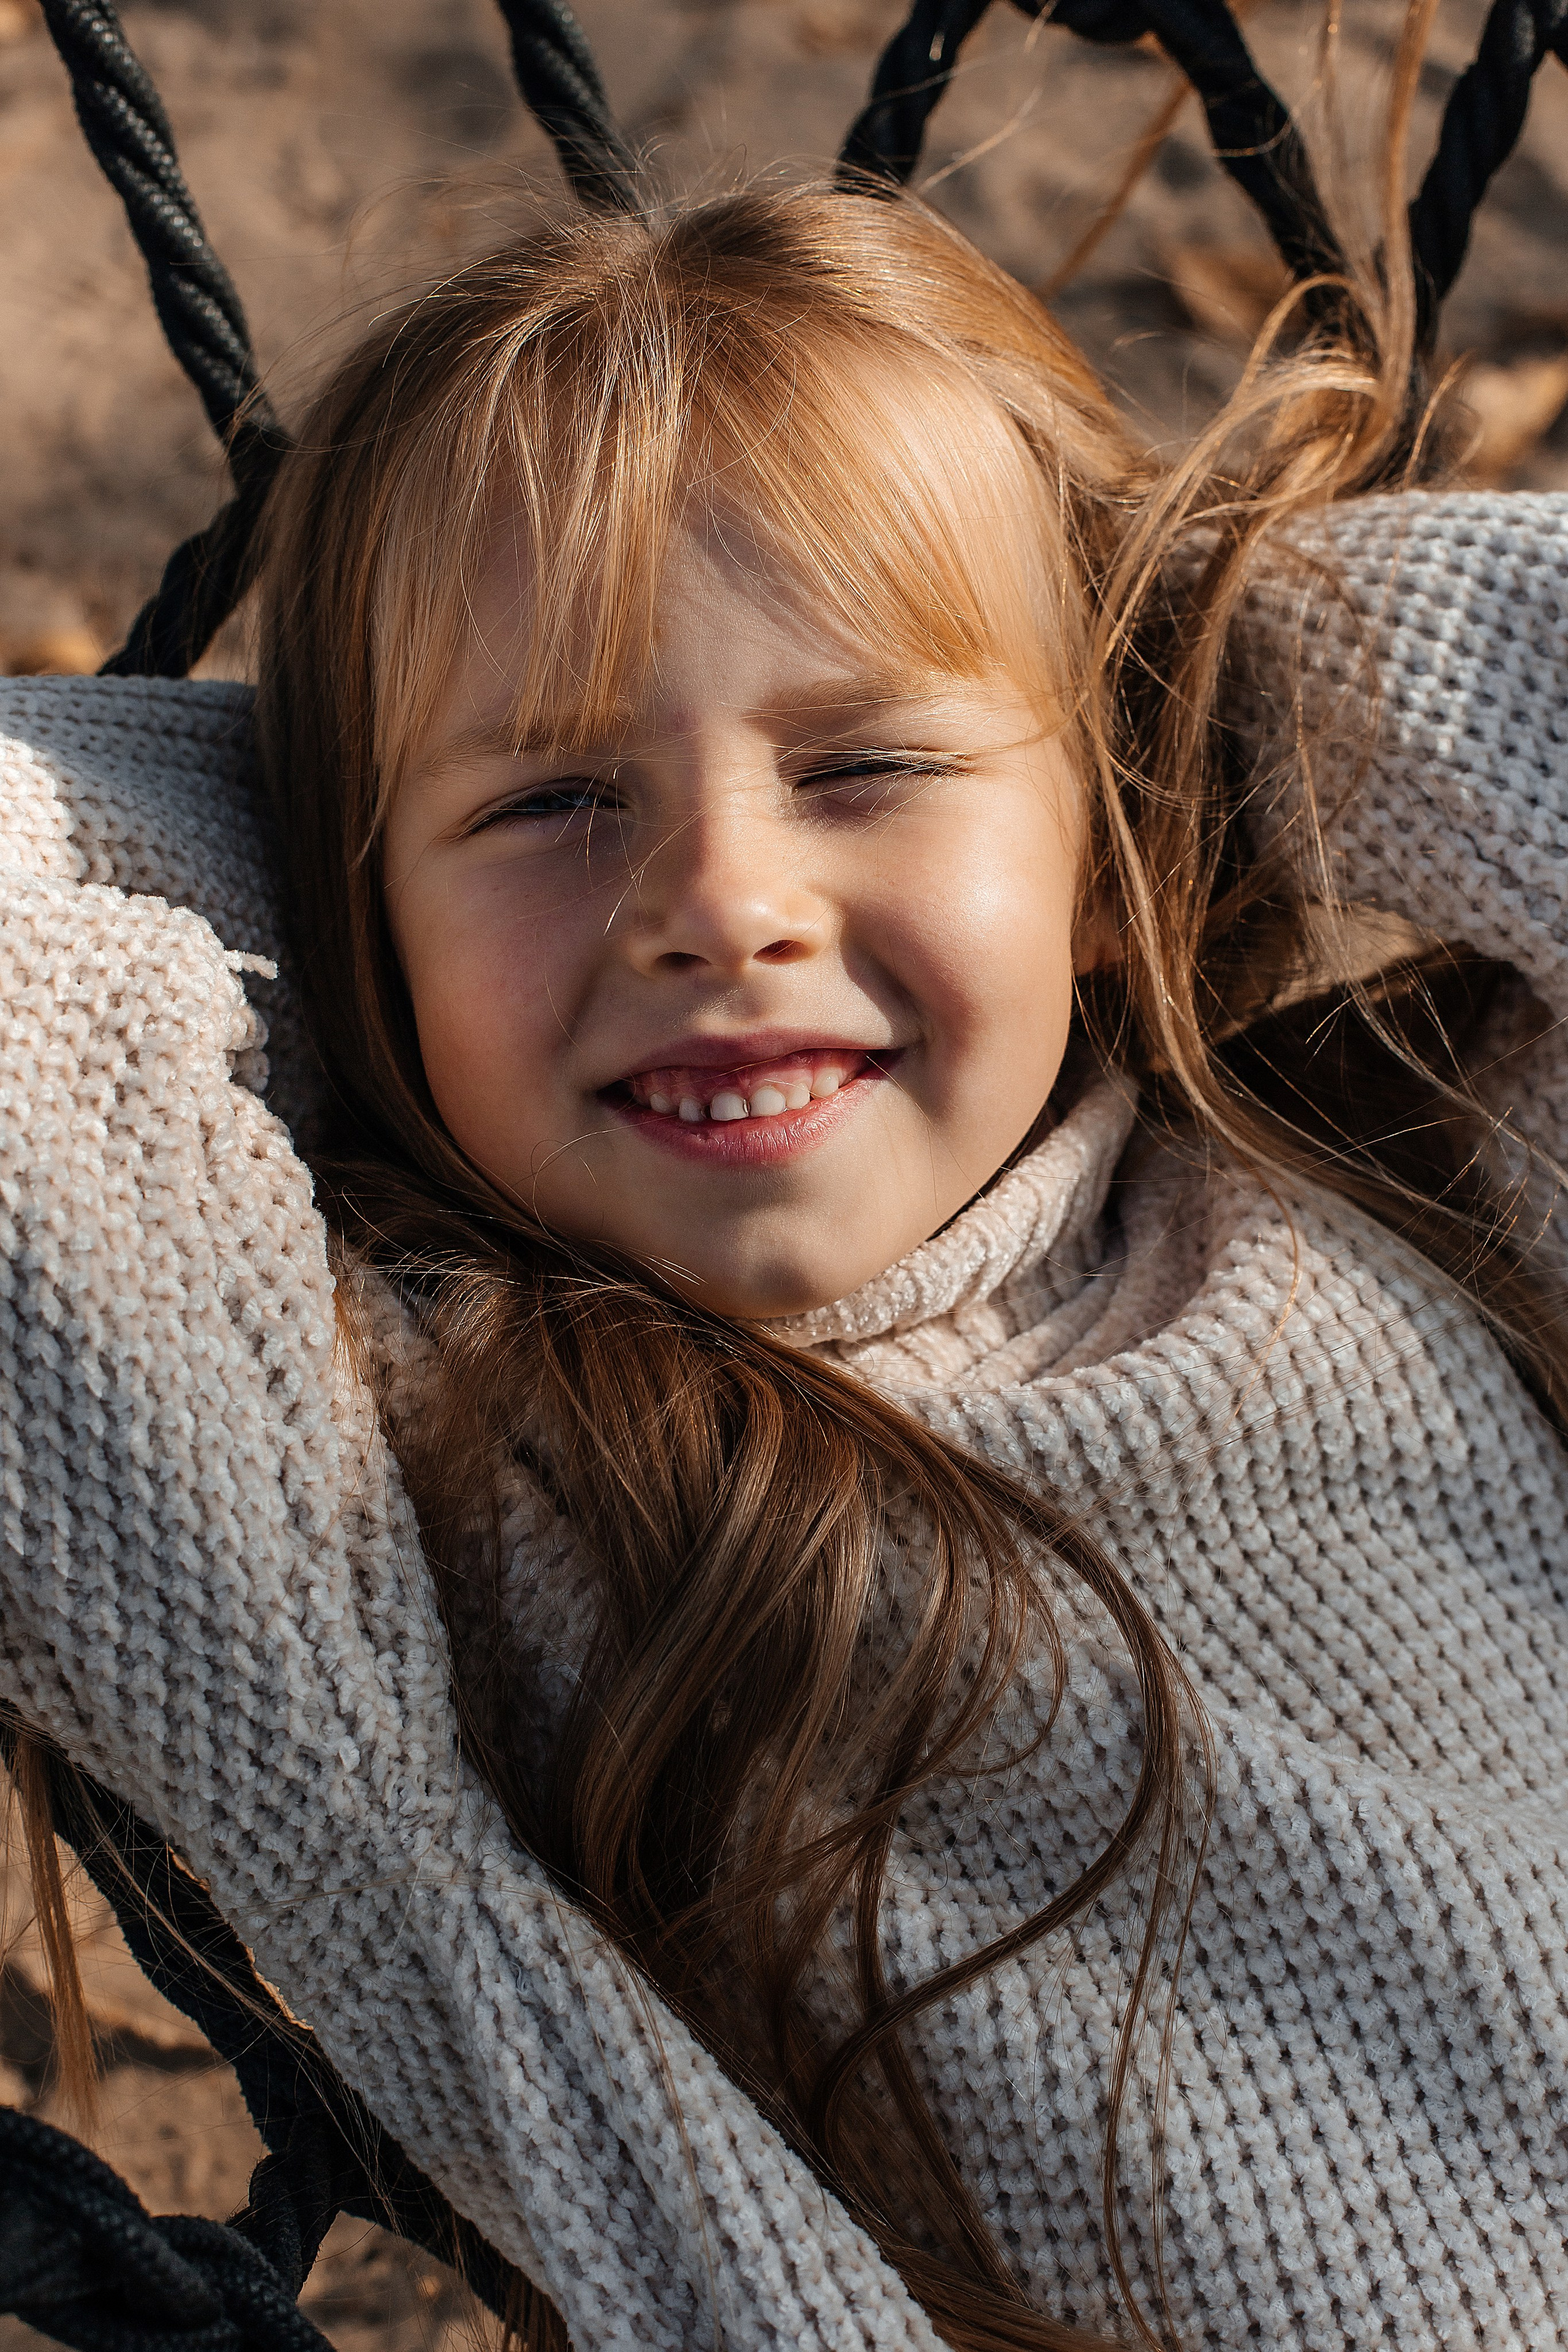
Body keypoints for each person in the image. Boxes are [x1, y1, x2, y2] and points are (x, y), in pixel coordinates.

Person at [4, 91, 1568, 2352]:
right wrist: (305, 804)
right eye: (552, 798)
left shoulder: (1397, 1168)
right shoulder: (406, 1447)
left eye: (863, 769)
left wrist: (1209, 673)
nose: (722, 905)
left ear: (1111, 830)